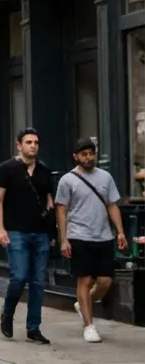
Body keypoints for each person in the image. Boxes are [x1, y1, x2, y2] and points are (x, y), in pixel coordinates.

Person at [55, 138, 126, 343]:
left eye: (91, 153)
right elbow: (61, 210)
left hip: (103, 235)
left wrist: (120, 232)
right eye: (84, 154)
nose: (88, 157)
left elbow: (112, 205)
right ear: (76, 156)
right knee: (84, 280)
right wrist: (64, 239)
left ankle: (82, 303)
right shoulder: (67, 180)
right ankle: (89, 325)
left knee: (105, 281)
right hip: (79, 235)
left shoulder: (105, 177)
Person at [0, 128, 54, 344]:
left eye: (36, 142)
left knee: (38, 282)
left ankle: (33, 327)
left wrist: (51, 230)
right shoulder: (6, 169)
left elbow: (49, 201)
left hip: (40, 233)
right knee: (18, 277)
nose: (33, 146)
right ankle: (7, 313)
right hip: (16, 231)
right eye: (28, 142)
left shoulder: (45, 171)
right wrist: (0, 229)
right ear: (19, 146)